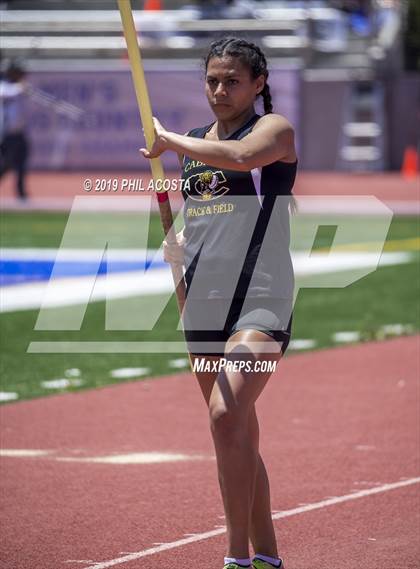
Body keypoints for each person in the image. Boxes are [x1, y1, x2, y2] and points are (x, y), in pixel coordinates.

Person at [140, 37, 297, 569]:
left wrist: (170, 140)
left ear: (257, 84)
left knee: (227, 413)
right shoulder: (196, 143)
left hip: (262, 297)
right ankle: (268, 558)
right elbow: (209, 213)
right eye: (211, 79)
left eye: (232, 80)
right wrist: (180, 245)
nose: (220, 89)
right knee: (236, 430)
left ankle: (234, 559)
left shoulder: (272, 132)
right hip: (204, 299)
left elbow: (241, 158)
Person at [0, 62, 29, 200]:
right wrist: (19, 87)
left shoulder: (19, 87)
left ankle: (21, 195)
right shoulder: (4, 86)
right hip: (8, 134)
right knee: (8, 163)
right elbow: (6, 93)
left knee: (22, 164)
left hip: (20, 133)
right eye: (18, 72)